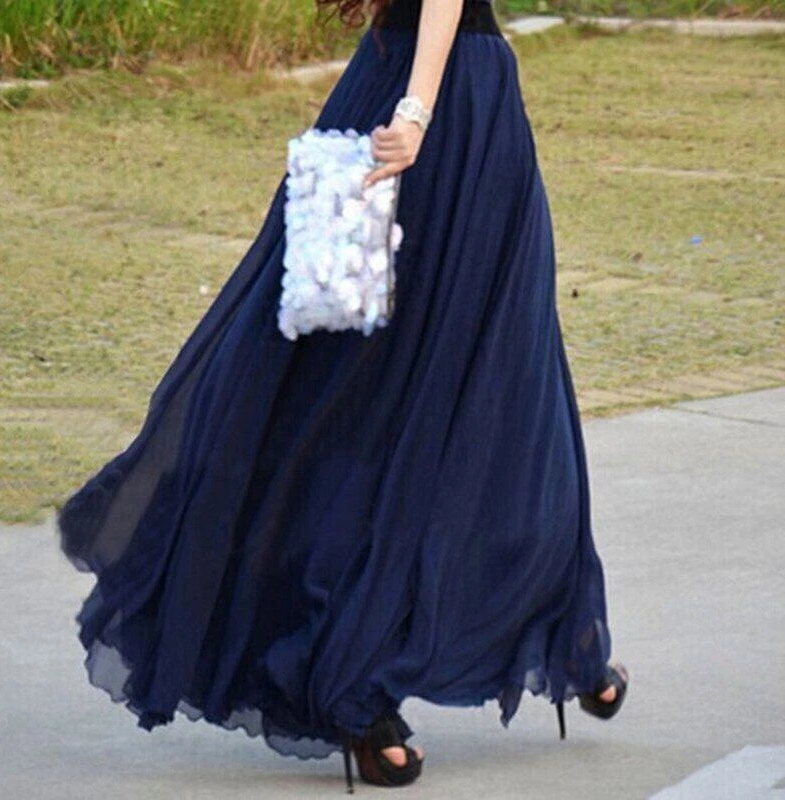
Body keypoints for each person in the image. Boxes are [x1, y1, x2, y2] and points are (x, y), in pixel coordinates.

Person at [55, 0, 629, 793]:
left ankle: (554, 645)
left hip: (415, 96)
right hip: (432, 106)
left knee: (390, 385)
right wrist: (417, 111)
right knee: (457, 388)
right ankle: (380, 678)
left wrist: (411, 104)